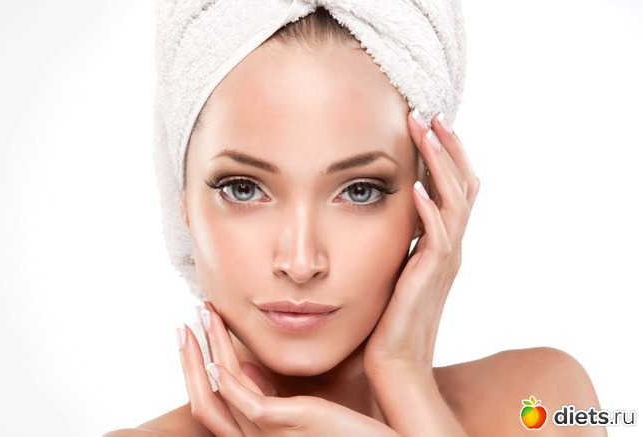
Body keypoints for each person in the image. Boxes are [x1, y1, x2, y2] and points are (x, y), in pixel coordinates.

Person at [106, 3, 603, 436]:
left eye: (359, 191)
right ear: (182, 200)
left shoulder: (540, 401)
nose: (301, 263)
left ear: (430, 199)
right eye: (244, 188)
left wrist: (404, 376)